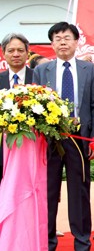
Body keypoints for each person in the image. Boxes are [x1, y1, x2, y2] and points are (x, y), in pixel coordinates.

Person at [33, 22, 94, 251]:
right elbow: (36, 106)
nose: (62, 41)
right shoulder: (42, 70)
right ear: (52, 44)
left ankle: (82, 242)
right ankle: (48, 241)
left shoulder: (88, 69)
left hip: (79, 138)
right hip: (51, 139)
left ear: (76, 42)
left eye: (67, 37)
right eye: (57, 38)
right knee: (49, 190)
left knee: (79, 191)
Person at [0, 33, 33, 184]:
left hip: (31, 146)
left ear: (27, 53)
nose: (16, 54)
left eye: (20, 50)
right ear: (3, 52)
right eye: (11, 50)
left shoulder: (37, 78)